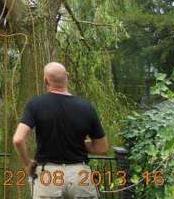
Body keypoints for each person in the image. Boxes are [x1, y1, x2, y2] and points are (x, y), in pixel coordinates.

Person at [12, 62, 109, 199]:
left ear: (45, 80)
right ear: (67, 77)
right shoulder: (86, 107)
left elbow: (18, 139)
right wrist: (80, 143)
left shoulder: (35, 104)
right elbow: (102, 147)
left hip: (48, 176)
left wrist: (28, 163)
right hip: (80, 176)